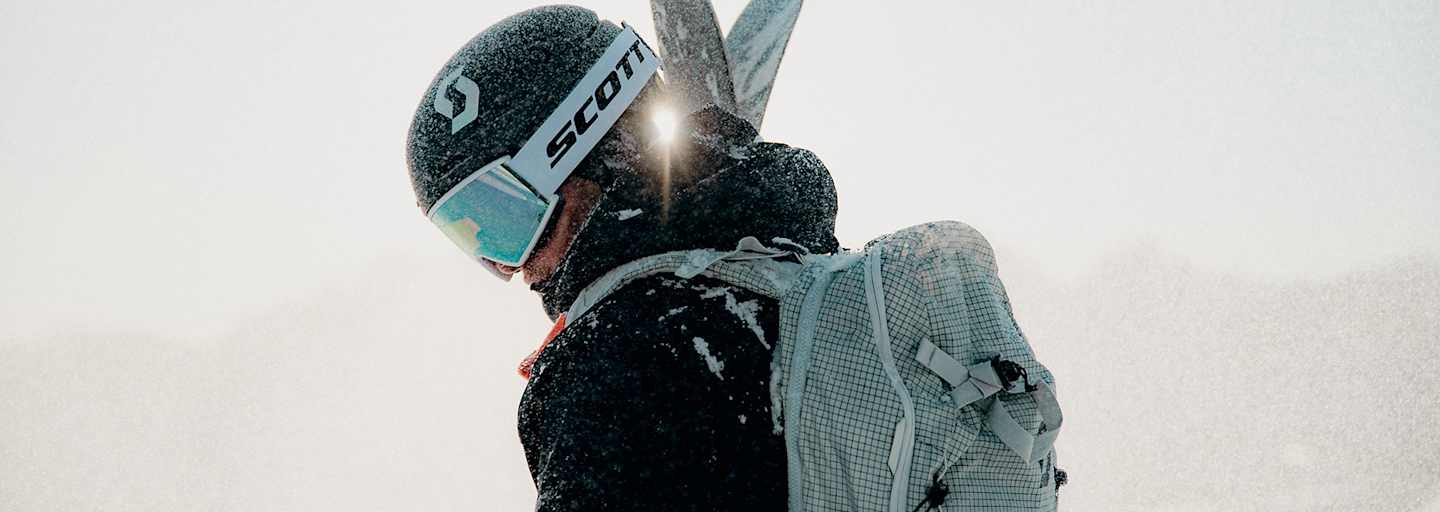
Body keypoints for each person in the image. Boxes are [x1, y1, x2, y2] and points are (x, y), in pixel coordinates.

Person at [405, 5, 838, 510]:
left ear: (578, 147)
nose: (515, 270)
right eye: (475, 238)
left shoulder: (609, 366)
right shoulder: (805, 278)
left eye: (506, 221)